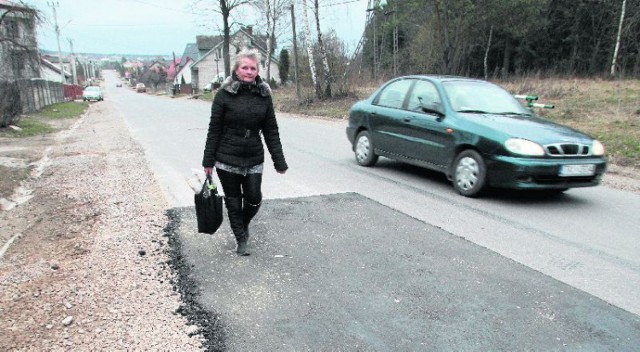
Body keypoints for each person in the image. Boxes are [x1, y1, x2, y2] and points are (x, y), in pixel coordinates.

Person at [202, 49, 288, 256]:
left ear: (257, 71)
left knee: (254, 197)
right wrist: (208, 160)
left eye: (253, 68)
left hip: (253, 156)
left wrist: (279, 161)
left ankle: (242, 222)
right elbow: (214, 129)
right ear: (236, 70)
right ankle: (241, 239)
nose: (249, 72)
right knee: (233, 200)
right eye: (245, 67)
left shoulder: (264, 95)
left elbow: (271, 130)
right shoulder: (224, 95)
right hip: (226, 156)